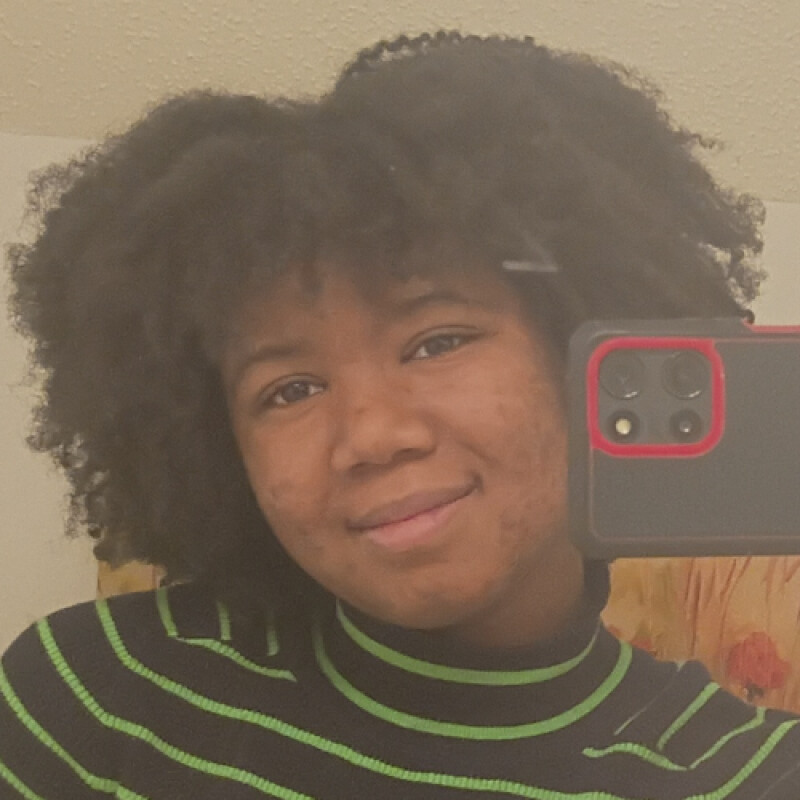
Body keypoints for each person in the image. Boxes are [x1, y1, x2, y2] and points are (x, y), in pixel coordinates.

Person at [1, 31, 797, 799]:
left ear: (581, 344)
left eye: (436, 341)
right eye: (289, 390)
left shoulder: (746, 775)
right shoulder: (92, 696)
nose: (372, 436)